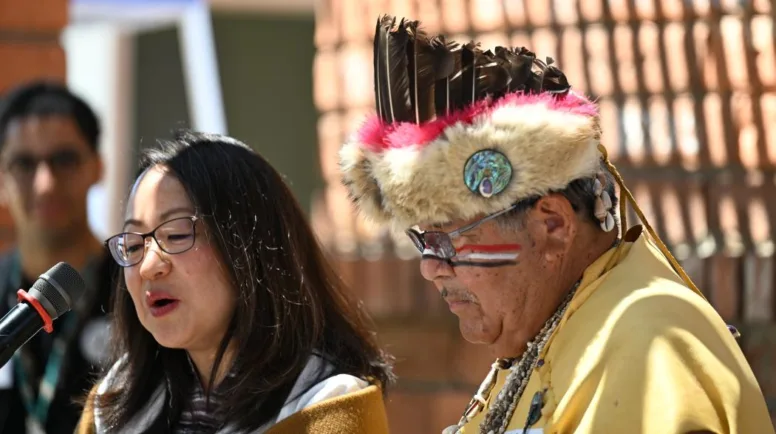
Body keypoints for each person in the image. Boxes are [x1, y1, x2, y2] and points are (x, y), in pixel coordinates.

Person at [339, 15, 774, 434]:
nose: (430, 267)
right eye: (423, 241)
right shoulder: (565, 328)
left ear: (552, 226)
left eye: (446, 239)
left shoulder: (649, 342)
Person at [76, 131, 394, 433]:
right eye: (133, 245)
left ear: (250, 246)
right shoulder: (114, 401)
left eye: (176, 235)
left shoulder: (329, 404)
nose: (148, 267)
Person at [0, 81, 117, 434]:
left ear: (98, 167)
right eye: (24, 163)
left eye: (64, 160)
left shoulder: (139, 292)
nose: (45, 184)